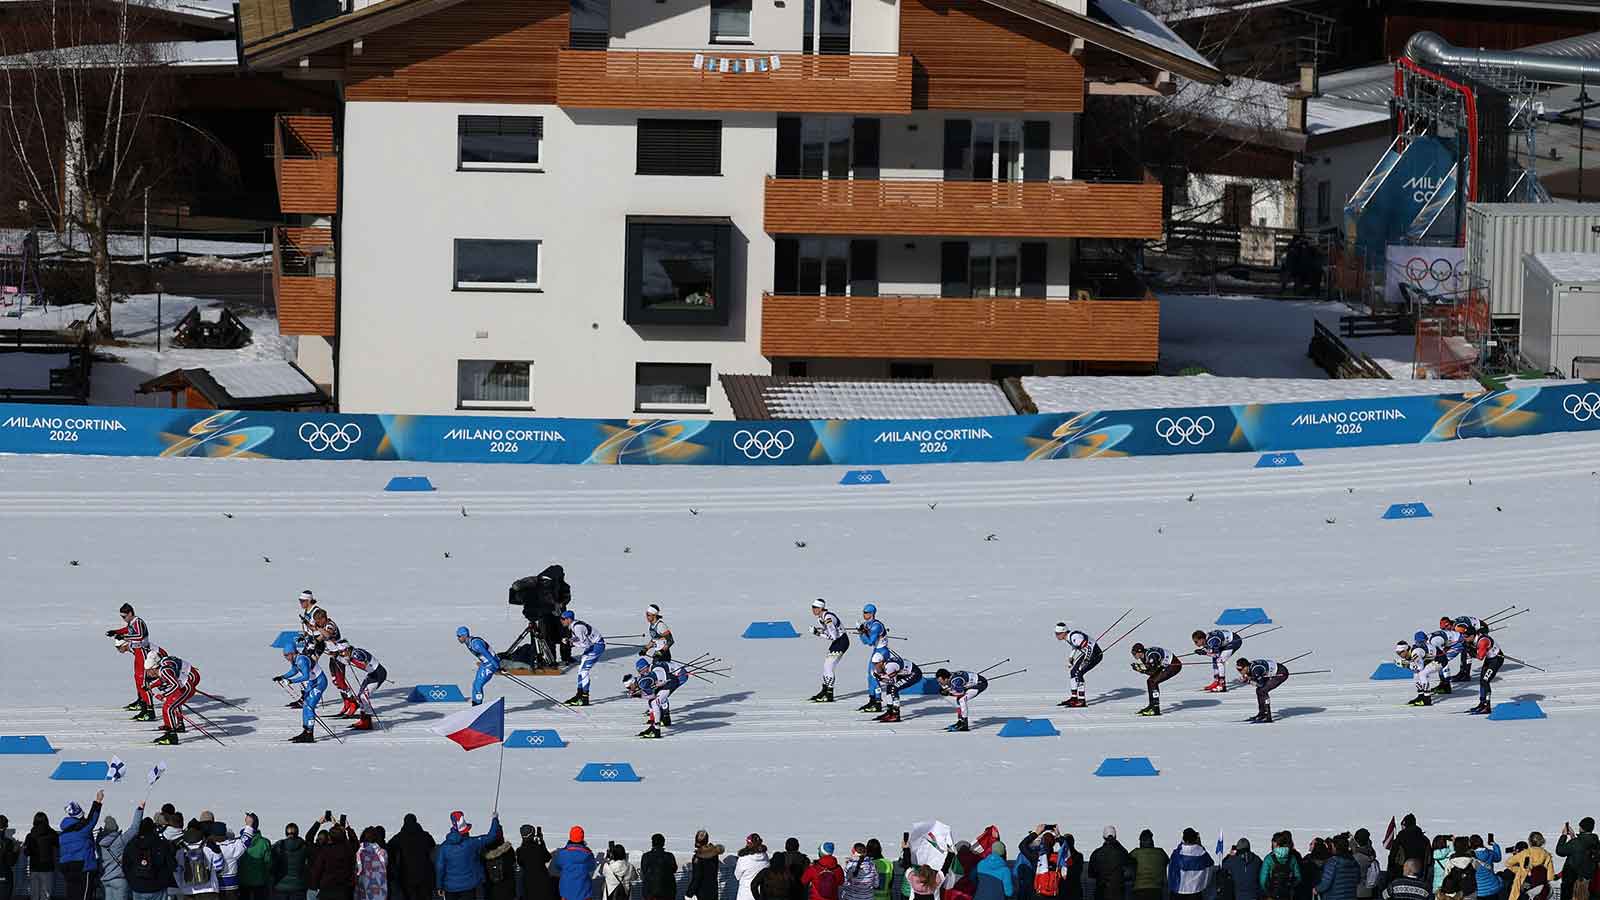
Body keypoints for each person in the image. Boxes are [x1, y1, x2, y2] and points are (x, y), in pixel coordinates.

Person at [434, 813, 501, 900]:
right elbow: (491, 836)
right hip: (469, 886)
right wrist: (495, 820)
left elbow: (440, 868)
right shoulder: (472, 843)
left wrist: (439, 886)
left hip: (450, 887)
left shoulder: (444, 847)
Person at [274, 638, 328, 744]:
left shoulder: (302, 660)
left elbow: (306, 676)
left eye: (286, 655)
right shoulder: (295, 659)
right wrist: (282, 676)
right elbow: (294, 670)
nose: (286, 658)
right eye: (284, 655)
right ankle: (305, 730)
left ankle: (310, 734)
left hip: (319, 683)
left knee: (309, 706)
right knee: (305, 705)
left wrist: (291, 681)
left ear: (292, 653)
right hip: (313, 682)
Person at [144, 651, 201, 746]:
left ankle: (172, 736)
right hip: (183, 688)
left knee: (168, 708)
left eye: (148, 671)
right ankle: (170, 730)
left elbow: (175, 685)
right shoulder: (161, 671)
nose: (148, 674)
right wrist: (151, 686)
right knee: (167, 707)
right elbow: (163, 680)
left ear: (153, 668)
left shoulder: (164, 671)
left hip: (186, 688)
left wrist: (164, 695)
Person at [107, 604, 153, 718]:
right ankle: (141, 702)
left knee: (142, 680)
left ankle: (149, 711)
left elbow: (140, 635)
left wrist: (124, 637)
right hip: (137, 652)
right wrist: (116, 631)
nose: (123, 619)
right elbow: (128, 629)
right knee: (137, 678)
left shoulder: (138, 621)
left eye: (124, 616)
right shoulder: (131, 623)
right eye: (121, 617)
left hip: (142, 651)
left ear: (131, 613)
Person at [56, 793, 104, 900]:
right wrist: (98, 801)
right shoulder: (82, 830)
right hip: (83, 866)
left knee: (72, 895)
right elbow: (92, 819)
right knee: (85, 895)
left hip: (66, 867)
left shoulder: (62, 834)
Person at [335, 646, 386, 731]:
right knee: (360, 696)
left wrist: (351, 660)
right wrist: (337, 657)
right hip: (372, 675)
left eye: (342, 652)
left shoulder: (356, 653)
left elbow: (364, 666)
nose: (342, 654)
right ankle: (363, 720)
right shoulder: (352, 653)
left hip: (378, 675)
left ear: (347, 649)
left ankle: (367, 722)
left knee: (363, 696)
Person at [122, 815, 174, 900]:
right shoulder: (161, 844)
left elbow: (125, 865)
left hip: (137, 886)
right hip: (157, 886)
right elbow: (170, 864)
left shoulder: (131, 844)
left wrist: (132, 881)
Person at [559, 612, 604, 707]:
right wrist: (570, 640)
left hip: (596, 647)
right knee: (580, 670)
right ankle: (579, 695)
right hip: (593, 645)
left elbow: (586, 644)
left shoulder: (577, 627)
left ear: (569, 619)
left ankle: (584, 698)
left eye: (563, 619)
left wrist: (571, 644)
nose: (561, 621)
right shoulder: (573, 625)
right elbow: (580, 638)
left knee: (584, 671)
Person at [385, 815, 434, 900]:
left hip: (407, 874)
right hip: (424, 873)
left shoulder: (400, 836)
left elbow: (389, 847)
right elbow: (432, 844)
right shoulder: (425, 835)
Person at [809, 600, 849, 704]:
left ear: (821, 608)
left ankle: (829, 694)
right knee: (826, 666)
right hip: (838, 642)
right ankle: (824, 691)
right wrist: (821, 631)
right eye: (812, 607)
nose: (813, 610)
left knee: (829, 666)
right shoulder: (821, 618)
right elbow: (829, 631)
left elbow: (833, 636)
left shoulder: (828, 618)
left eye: (815, 607)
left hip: (841, 642)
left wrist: (817, 633)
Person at [1053, 624, 1102, 708]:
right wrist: (1071, 657)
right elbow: (1075, 646)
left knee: (1079, 673)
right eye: (1056, 633)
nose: (1057, 636)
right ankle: (1074, 698)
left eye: (1058, 633)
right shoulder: (1069, 637)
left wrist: (1086, 660)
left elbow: (1089, 648)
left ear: (1064, 632)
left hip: (1095, 655)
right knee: (1073, 672)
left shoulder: (1075, 637)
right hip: (1087, 654)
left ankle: (1082, 701)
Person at [869, 650, 923, 724]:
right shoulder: (883, 665)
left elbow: (891, 681)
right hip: (905, 672)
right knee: (889, 687)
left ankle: (896, 714)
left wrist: (880, 678)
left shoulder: (890, 666)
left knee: (894, 688)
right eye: (873, 664)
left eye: (876, 664)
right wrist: (880, 677)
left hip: (914, 673)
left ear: (881, 662)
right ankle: (889, 712)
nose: (875, 666)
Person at [1128, 644, 1182, 717]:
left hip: (1174, 665)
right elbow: (1150, 671)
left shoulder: (1151, 655)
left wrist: (1140, 670)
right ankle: (1152, 706)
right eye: (1132, 653)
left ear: (1140, 652)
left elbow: (1153, 672)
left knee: (1152, 681)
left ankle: (1155, 708)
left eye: (1134, 653)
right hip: (1166, 664)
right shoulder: (1143, 656)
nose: (1133, 655)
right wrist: (1141, 669)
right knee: (1151, 681)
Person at [856, 605, 891, 713]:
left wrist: (863, 632)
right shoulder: (867, 624)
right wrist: (862, 632)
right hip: (876, 650)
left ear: (872, 613)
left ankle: (877, 702)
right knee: (870, 676)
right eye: (863, 612)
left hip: (882, 652)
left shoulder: (876, 626)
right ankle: (872, 700)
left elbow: (870, 641)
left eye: (866, 612)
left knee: (874, 676)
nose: (864, 614)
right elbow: (865, 642)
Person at [309, 821, 355, 900]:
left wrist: (314, 886)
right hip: (344, 890)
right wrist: (348, 829)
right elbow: (355, 843)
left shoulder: (325, 851)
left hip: (327, 889)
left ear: (330, 838)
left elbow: (317, 870)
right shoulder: (348, 850)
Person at [1235, 658, 1289, 723]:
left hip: (1281, 673)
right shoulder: (1251, 667)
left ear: (1246, 667)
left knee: (1263, 690)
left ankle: (1268, 716)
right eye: (1238, 669)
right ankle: (1262, 714)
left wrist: (1248, 681)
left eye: (1240, 670)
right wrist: (1249, 677)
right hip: (1274, 669)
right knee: (1259, 691)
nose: (1240, 672)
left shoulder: (1256, 670)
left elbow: (1261, 684)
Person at [456, 628, 501, 708]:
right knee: (475, 685)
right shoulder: (469, 642)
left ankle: (478, 707)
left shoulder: (476, 644)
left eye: (459, 636)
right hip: (485, 663)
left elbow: (489, 656)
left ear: (464, 635)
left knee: (478, 685)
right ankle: (475, 706)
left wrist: (497, 667)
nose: (458, 638)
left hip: (491, 664)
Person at [1466, 627, 1506, 715]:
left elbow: (1480, 657)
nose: (1466, 638)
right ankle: (1482, 704)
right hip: (1489, 659)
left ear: (1473, 635)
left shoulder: (1482, 641)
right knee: (1482, 681)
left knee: (1485, 681)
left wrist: (1471, 651)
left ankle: (1487, 706)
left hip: (1496, 659)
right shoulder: (1473, 638)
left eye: (1467, 637)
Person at [1556, 818, 1598, 900]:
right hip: (1589, 881)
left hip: (1572, 881)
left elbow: (1560, 851)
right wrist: (1573, 838)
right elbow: (1582, 850)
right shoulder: (1595, 841)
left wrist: (1563, 836)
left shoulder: (1576, 843)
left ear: (1581, 828)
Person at [1502, 834, 1552, 900]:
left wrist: (1519, 869)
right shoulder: (1546, 854)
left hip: (1523, 885)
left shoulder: (1524, 853)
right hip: (1540, 885)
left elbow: (1508, 863)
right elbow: (1550, 875)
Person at [552, 828, 597, 900]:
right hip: (584, 892)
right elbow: (592, 867)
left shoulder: (562, 853)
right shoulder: (588, 854)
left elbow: (557, 865)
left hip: (566, 892)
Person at [1167, 829, 1212, 900]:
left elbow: (1171, 867)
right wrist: (1200, 845)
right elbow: (1209, 864)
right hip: (1195, 891)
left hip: (1178, 891)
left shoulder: (1178, 853)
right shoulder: (1201, 852)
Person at [270, 822, 309, 900]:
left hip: (280, 887)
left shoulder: (278, 846)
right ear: (297, 833)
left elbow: (271, 864)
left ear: (286, 833)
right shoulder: (304, 846)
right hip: (298, 887)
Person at [237, 816, 273, 900]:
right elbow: (268, 864)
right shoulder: (264, 843)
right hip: (260, 883)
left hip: (242, 882)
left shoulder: (239, 842)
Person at [1394, 640, 1439, 707]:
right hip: (1429, 659)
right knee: (1416, 674)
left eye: (1400, 653)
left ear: (1406, 650)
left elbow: (1420, 667)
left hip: (1439, 659)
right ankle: (1421, 696)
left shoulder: (1416, 653)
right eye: (1397, 653)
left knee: (1422, 674)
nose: (1400, 655)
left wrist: (1405, 665)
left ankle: (1427, 699)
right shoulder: (1409, 652)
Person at [1087, 827, 1128, 900]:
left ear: (1103, 837)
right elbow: (1129, 864)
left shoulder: (1096, 853)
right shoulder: (1122, 853)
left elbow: (1091, 874)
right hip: (1118, 893)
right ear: (1115, 837)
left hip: (1101, 892)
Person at [1314, 836, 1359, 900]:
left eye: (1332, 846)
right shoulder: (1354, 862)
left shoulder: (1332, 862)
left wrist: (1316, 889)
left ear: (1336, 847)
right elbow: (1357, 879)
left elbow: (1326, 883)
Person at [517, 827, 555, 900]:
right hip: (542, 884)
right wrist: (541, 843)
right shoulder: (538, 848)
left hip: (528, 884)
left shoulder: (520, 851)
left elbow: (520, 862)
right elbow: (548, 857)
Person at [1259, 833, 1300, 900]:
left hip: (1272, 895)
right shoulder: (1292, 858)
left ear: (1275, 844)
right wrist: (1290, 887)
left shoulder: (1268, 859)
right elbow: (1298, 877)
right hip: (1287, 895)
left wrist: (1268, 892)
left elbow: (1263, 880)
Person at [1129, 831, 1167, 900]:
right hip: (1157, 890)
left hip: (1139, 890)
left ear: (1141, 841)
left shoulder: (1135, 853)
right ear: (1152, 841)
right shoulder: (1161, 853)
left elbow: (1125, 862)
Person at [687, 832, 725, 900]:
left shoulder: (698, 858)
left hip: (701, 892)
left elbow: (697, 877)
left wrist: (689, 893)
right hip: (713, 890)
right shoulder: (714, 853)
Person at [640, 834, 677, 900]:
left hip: (650, 892)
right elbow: (674, 869)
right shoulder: (669, 856)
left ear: (652, 843)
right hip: (668, 892)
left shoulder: (646, 856)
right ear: (663, 843)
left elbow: (644, 871)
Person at [354, 829, 388, 900]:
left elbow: (357, 871)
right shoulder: (383, 853)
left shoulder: (360, 854)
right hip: (380, 892)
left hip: (364, 890)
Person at [481, 835, 515, 900]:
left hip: (490, 889)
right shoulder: (508, 850)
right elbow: (512, 863)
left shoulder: (484, 851)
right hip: (506, 888)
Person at [0, 815, 20, 900]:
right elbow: (11, 862)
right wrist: (16, 850)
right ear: (5, 827)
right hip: (4, 874)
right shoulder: (7, 842)